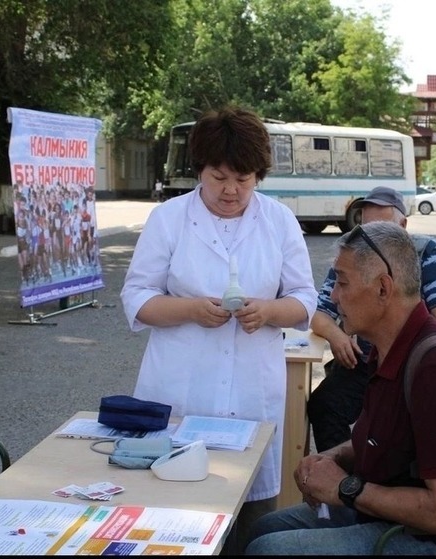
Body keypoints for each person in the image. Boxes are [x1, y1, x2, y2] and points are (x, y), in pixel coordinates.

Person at [120, 106, 318, 554]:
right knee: (173, 516)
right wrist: (189, 309)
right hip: (179, 390)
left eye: (243, 179)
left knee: (249, 519)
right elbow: (136, 299)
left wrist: (268, 311)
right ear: (200, 171)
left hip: (251, 393)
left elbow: (305, 300)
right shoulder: (169, 219)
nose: (231, 191)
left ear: (259, 176)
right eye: (219, 177)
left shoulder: (279, 220)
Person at [244, 221, 436, 555]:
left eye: (342, 282)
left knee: (270, 550)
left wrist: (345, 487)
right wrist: (332, 456)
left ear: (383, 288)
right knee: (263, 529)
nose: (334, 297)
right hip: (399, 520)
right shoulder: (390, 349)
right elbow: (387, 441)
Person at [307, 186, 436, 452]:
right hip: (365, 361)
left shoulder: (427, 253)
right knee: (325, 404)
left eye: (384, 231)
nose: (373, 241)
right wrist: (338, 335)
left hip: (411, 362)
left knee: (400, 426)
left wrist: (434, 369)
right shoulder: (352, 255)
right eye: (366, 231)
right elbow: (320, 314)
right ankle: (341, 478)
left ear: (403, 225)